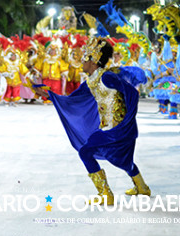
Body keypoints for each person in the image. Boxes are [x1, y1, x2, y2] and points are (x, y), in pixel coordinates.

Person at [33, 38, 150, 206]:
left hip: (119, 129)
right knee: (123, 160)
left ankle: (106, 194)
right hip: (107, 129)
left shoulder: (108, 77)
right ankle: (142, 187)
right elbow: (72, 100)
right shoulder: (90, 82)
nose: (82, 61)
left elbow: (132, 93)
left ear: (94, 61)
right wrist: (49, 95)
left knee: (86, 152)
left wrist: (127, 121)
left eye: (85, 58)